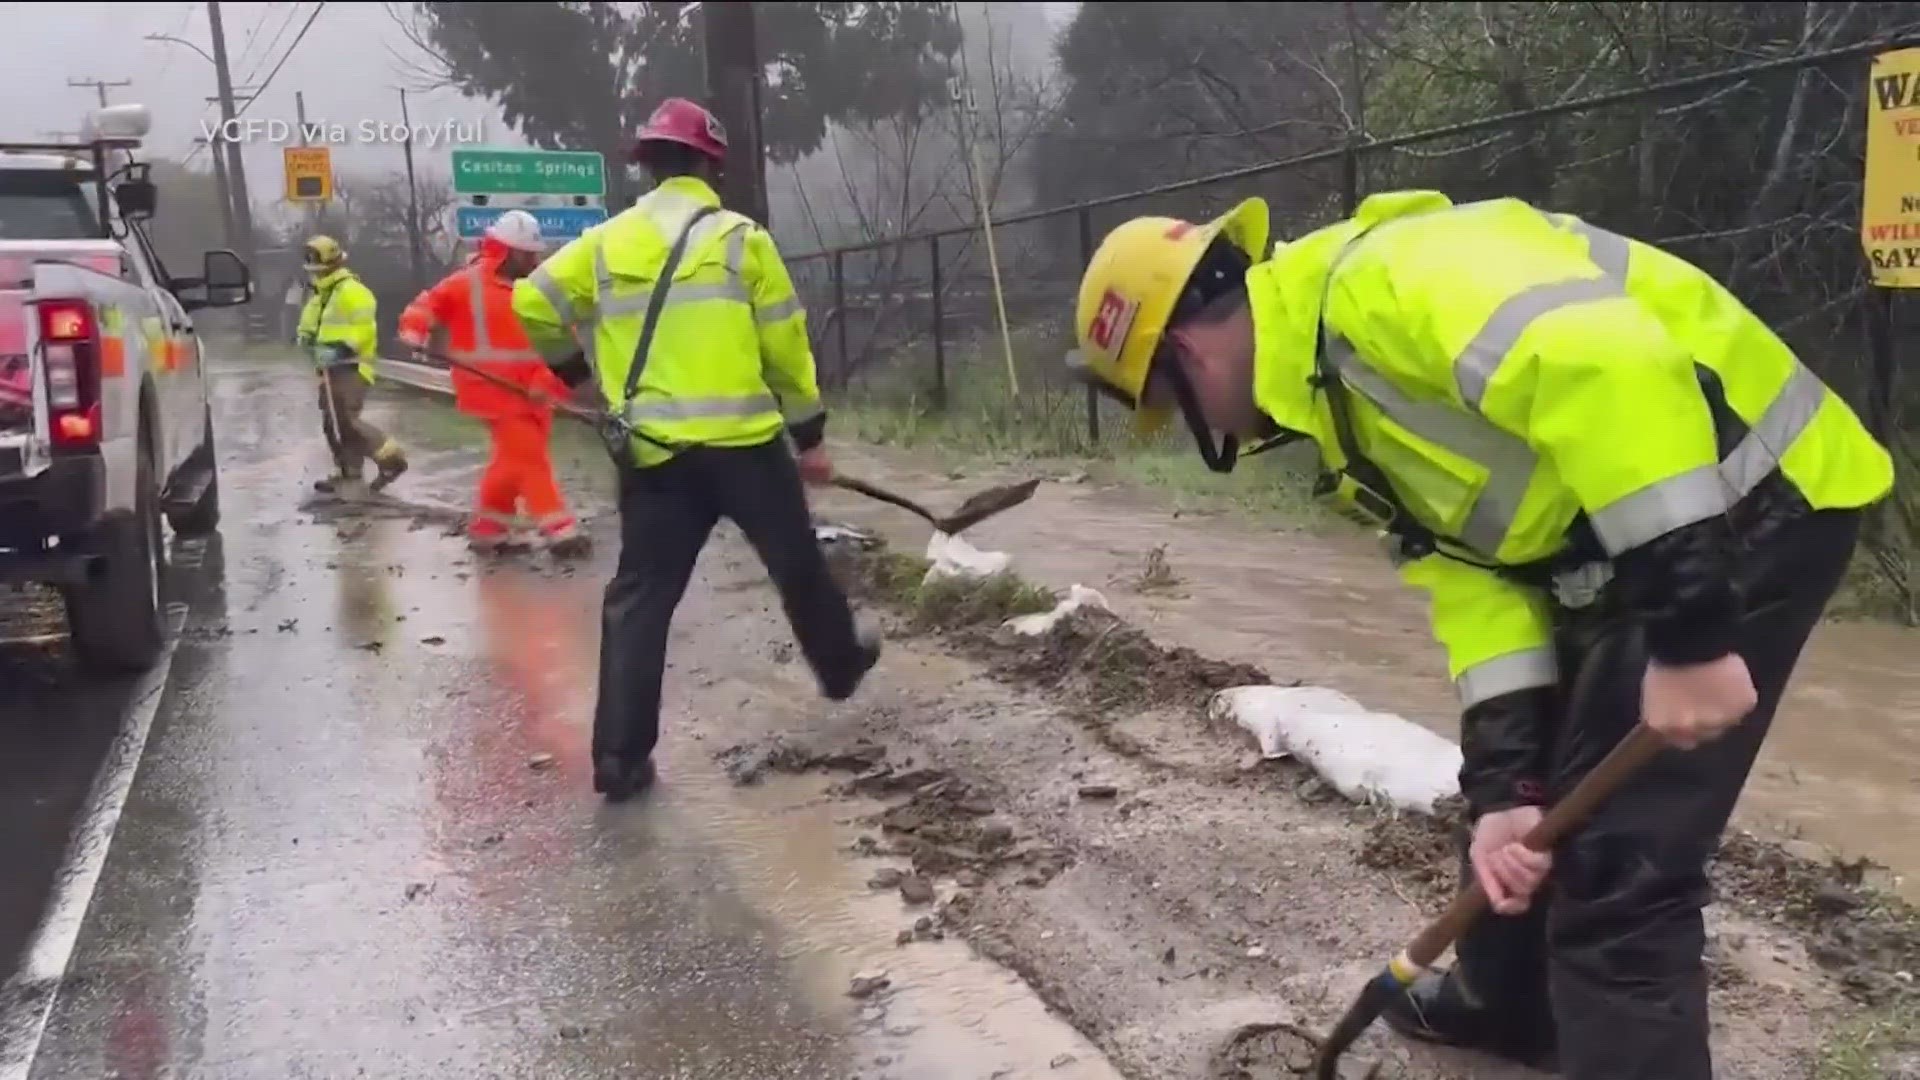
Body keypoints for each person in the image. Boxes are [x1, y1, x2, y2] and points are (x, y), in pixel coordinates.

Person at [1065, 188, 1894, 1078]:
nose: (1197, 430)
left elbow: (1609, 365)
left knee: (1618, 870)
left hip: (1749, 500)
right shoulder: (1329, 398)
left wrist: (1690, 635)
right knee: (1521, 807)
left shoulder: (1385, 287)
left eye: (1166, 406)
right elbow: (1476, 583)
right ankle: (1508, 1007)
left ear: (1185, 355)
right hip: (1619, 544)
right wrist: (1507, 788)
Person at [510, 96, 882, 801]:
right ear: (712, 166)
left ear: (646, 165)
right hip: (746, 450)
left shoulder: (607, 242)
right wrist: (810, 437)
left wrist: (575, 375)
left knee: (640, 602)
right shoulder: (743, 240)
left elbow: (531, 302)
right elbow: (785, 350)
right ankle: (839, 666)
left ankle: (619, 761)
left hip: (655, 457)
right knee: (797, 562)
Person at [398, 210, 589, 558]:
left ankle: (489, 528)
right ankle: (559, 529)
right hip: (487, 388)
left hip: (534, 389)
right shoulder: (466, 283)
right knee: (530, 458)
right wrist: (414, 332)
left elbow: (565, 338)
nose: (535, 259)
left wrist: (549, 380)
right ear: (507, 251)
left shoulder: (540, 289)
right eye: (528, 253)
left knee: (511, 459)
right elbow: (427, 306)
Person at [296, 234, 408, 495]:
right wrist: (306, 341)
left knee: (346, 419)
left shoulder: (352, 291)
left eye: (318, 267)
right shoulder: (321, 295)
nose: (315, 273)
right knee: (332, 421)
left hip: (352, 365)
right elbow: (309, 325)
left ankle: (391, 460)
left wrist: (340, 349)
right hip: (329, 367)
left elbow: (364, 329)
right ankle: (349, 472)